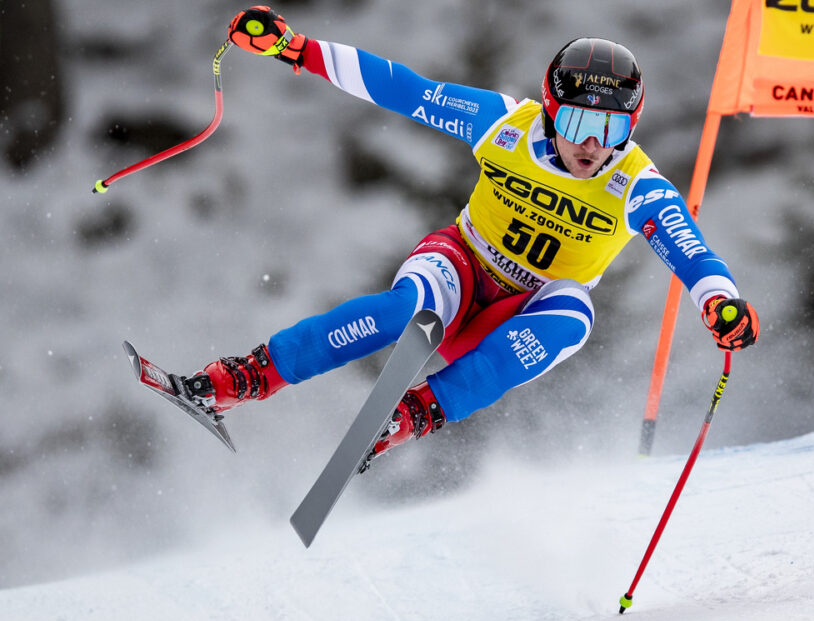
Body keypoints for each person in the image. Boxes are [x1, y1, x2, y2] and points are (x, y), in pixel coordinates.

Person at [185, 6, 760, 470]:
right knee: (404, 315)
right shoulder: (504, 124)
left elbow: (690, 251)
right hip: (461, 266)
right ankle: (242, 378)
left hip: (521, 312)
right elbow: (405, 90)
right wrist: (296, 48)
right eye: (580, 123)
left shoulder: (637, 183)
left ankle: (414, 414)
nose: (593, 145)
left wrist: (719, 302)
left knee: (574, 315)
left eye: (612, 128)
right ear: (552, 111)